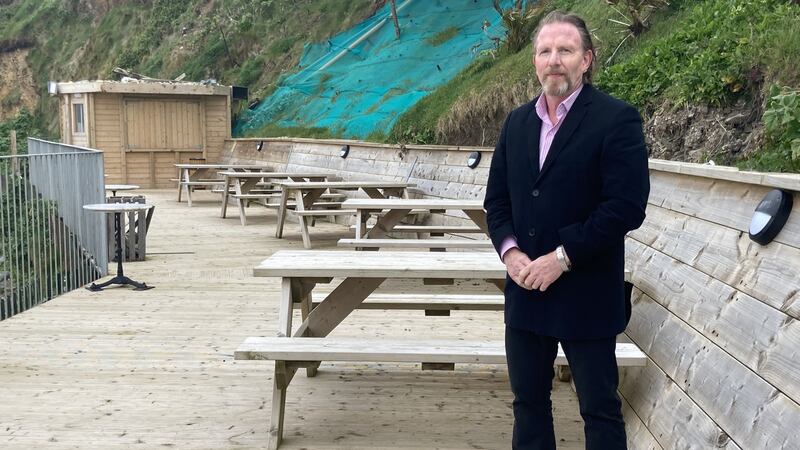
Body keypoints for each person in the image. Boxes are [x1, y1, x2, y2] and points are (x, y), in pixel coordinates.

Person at [483, 10, 650, 450]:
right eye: (545, 51)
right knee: (528, 405)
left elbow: (626, 207)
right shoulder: (516, 123)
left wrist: (561, 258)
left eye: (565, 50)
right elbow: (496, 202)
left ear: (587, 59)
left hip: (587, 290)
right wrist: (510, 252)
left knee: (598, 409)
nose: (554, 59)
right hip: (525, 291)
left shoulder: (617, 119)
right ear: (535, 61)